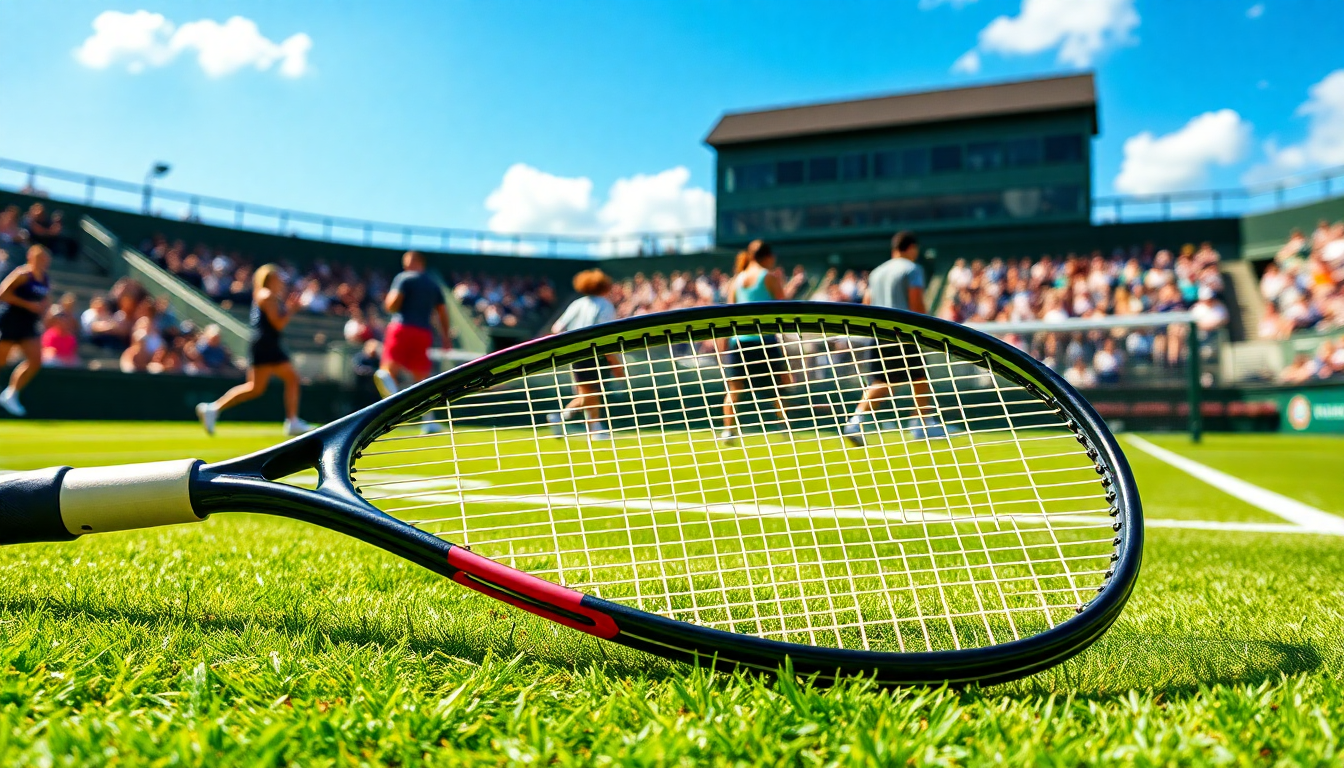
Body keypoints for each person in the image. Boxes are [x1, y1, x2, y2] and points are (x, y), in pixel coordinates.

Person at [843, 232, 944, 446]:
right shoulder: (912, 269)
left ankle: (856, 420)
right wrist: (925, 327)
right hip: (904, 333)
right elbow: (916, 301)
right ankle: (921, 425)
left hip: (879, 334)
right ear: (911, 248)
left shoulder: (877, 272)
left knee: (888, 380)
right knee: (915, 379)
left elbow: (867, 302)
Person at [195, 264, 313, 436]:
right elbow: (277, 324)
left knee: (255, 388)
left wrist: (287, 308)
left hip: (264, 343)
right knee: (292, 378)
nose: (281, 282)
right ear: (270, 279)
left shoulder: (266, 295)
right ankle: (292, 421)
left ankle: (212, 409)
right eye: (278, 278)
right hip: (267, 344)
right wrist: (291, 309)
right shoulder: (268, 295)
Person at [718, 240, 792, 446]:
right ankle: (784, 428)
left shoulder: (736, 280)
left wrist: (724, 346)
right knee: (778, 388)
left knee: (734, 389)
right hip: (764, 341)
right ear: (767, 257)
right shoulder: (769, 277)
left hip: (739, 342)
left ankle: (728, 431)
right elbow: (784, 306)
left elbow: (728, 314)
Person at [372, 251, 452, 434]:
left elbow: (392, 305)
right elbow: (442, 313)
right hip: (423, 333)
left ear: (417, 262)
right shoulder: (433, 284)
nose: (405, 266)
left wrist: (387, 301)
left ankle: (392, 411)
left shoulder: (403, 278)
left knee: (387, 372)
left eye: (407, 262)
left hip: (401, 328)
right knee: (421, 379)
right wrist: (446, 337)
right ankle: (428, 421)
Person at [547, 269, 624, 440]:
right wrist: (614, 361)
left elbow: (557, 328)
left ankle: (564, 418)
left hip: (575, 354)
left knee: (588, 391)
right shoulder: (605, 305)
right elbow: (605, 334)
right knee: (591, 391)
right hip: (595, 354)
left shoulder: (577, 303)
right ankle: (593, 429)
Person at [0, 244, 53, 416]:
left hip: (29, 325)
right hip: (11, 321)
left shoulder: (45, 279)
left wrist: (43, 310)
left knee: (35, 360)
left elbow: (45, 301)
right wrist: (28, 305)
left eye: (45, 259)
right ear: (31, 257)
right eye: (40, 258)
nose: (43, 262)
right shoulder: (22, 274)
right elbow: (3, 294)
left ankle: (11, 394)